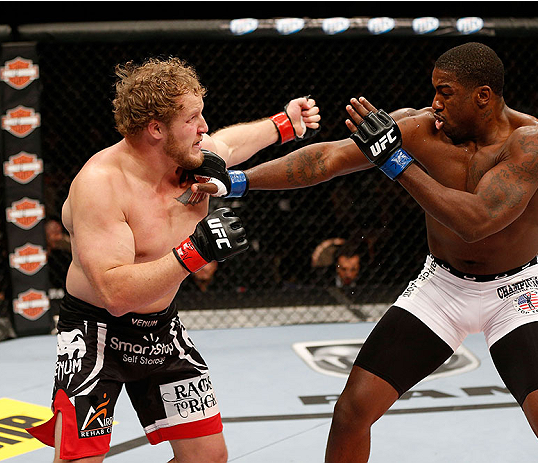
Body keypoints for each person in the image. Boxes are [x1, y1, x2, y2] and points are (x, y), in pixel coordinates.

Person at [196, 42, 538, 462]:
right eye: (434, 90)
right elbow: (327, 159)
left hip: (514, 294)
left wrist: (395, 161)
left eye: (446, 92)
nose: (435, 103)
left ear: (483, 96)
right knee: (351, 411)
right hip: (443, 287)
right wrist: (236, 182)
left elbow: (476, 221)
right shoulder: (418, 128)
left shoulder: (535, 142)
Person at [26, 56, 320, 463]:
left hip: (161, 331)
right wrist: (194, 251)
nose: (204, 128)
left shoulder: (190, 159)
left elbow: (230, 144)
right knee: (80, 460)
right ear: (156, 129)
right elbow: (115, 293)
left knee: (208, 458)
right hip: (96, 336)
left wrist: (283, 124)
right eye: (193, 118)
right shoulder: (101, 185)